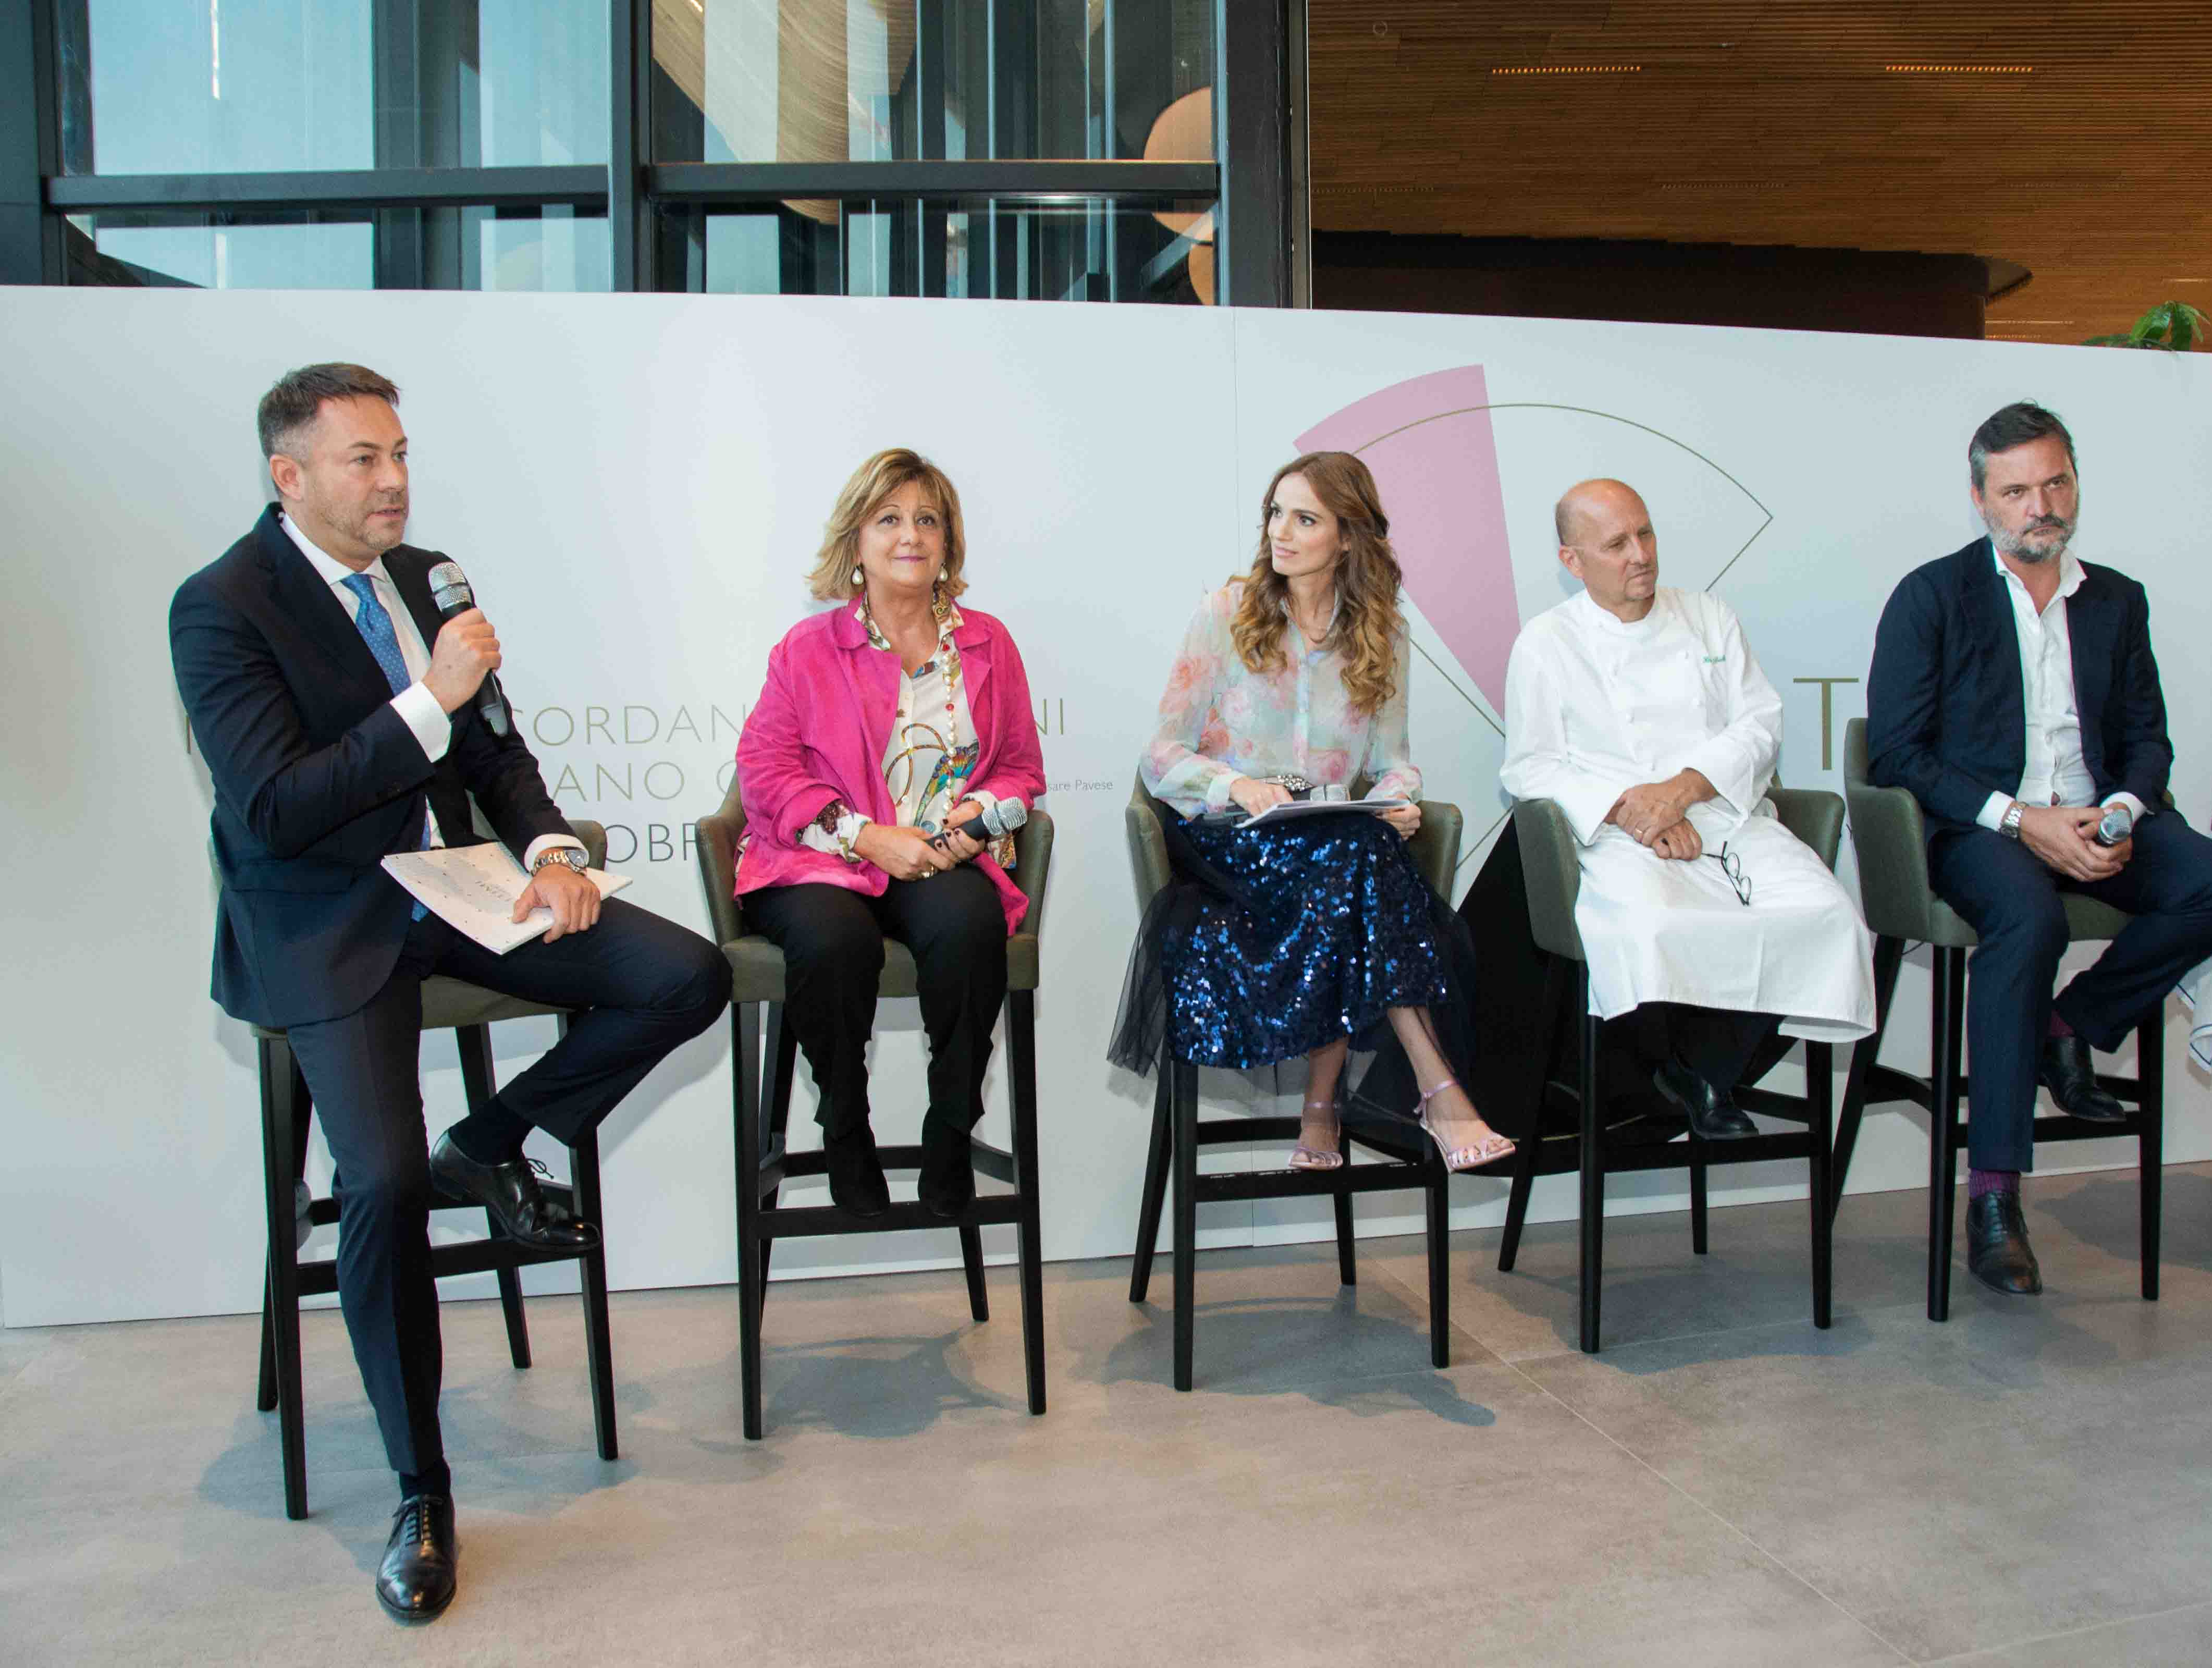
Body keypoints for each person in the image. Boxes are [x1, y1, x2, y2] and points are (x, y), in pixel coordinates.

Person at [168, 364, 731, 1623]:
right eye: (364, 459)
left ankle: (484, 1144)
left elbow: (495, 751)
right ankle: (421, 1490)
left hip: (456, 887)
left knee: (683, 975)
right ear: (289, 476)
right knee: (377, 1184)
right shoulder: (221, 605)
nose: (394, 482)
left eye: (401, 454)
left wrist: (552, 852)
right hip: (322, 917)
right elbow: (276, 807)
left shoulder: (427, 578)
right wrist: (432, 695)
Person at [1865, 401, 2212, 1298]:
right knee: (2030, 919)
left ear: (2075, 485)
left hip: (2098, 815)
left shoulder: (2117, 598)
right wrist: (2022, 820)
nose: (2039, 507)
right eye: (2015, 491)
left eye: (2054, 484)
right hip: (1982, 830)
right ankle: (1994, 1197)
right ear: (1980, 499)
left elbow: (2148, 739)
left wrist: (2118, 813)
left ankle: (2069, 1025)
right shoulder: (1933, 595)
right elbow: (1898, 755)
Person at [1111, 451, 1514, 1173]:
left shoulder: (1382, 633)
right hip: (1230, 844)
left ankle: (1330, 1108)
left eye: (1305, 519)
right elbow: (1161, 755)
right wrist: (1237, 786)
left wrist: (1397, 799)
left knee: (1351, 855)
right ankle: (1430, 1091)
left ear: (1348, 537)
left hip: (1327, 844)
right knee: (1354, 861)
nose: (1280, 532)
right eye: (1276, 513)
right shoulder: (1226, 613)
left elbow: (1392, 759)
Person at [1500, 479, 1876, 1137]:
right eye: (1617, 543)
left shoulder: (1707, 615)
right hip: (1619, 837)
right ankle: (1692, 1077)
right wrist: (1634, 810)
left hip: (1727, 815)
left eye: (1645, 533)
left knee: (1829, 918)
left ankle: (1701, 1068)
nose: (1640, 554)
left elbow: (1760, 724)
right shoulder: (1546, 642)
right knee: (1655, 926)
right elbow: (1531, 767)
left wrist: (1682, 791)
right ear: (1573, 561)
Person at [735, 449, 1046, 1219]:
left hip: (940, 860)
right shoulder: (808, 648)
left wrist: (981, 819)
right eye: (889, 519)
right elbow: (764, 771)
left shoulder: (988, 643)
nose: (911, 535)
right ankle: (845, 1127)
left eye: (927, 519)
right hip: (822, 861)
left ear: (948, 542)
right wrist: (867, 837)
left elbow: (1020, 770)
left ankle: (952, 1129)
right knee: (835, 943)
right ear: (858, 540)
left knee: (971, 927)